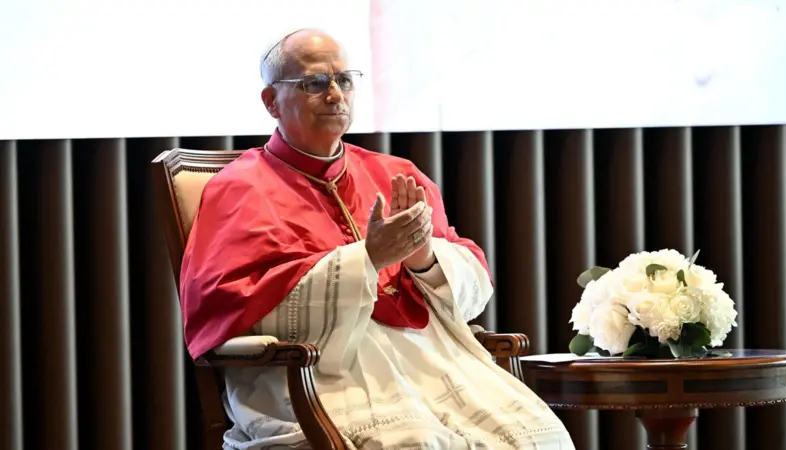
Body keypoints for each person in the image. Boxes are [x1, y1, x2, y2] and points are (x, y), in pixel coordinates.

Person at [180, 28, 574, 449]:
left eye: (344, 80)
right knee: (414, 443)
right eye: (315, 83)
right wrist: (365, 260)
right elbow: (225, 303)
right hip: (317, 373)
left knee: (542, 436)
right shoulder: (240, 188)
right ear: (271, 101)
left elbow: (470, 284)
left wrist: (424, 258)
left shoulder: (394, 172)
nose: (335, 94)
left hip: (425, 360)